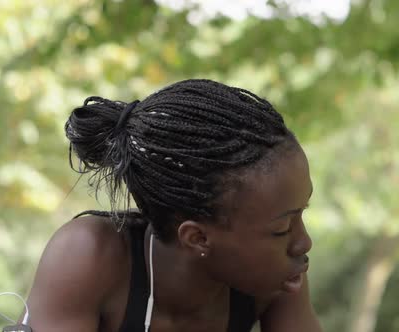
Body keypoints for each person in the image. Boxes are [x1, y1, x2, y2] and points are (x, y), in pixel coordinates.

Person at [25, 79, 322, 332]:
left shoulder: (278, 273)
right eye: (282, 228)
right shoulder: (89, 254)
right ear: (197, 238)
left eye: (302, 214)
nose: (303, 242)